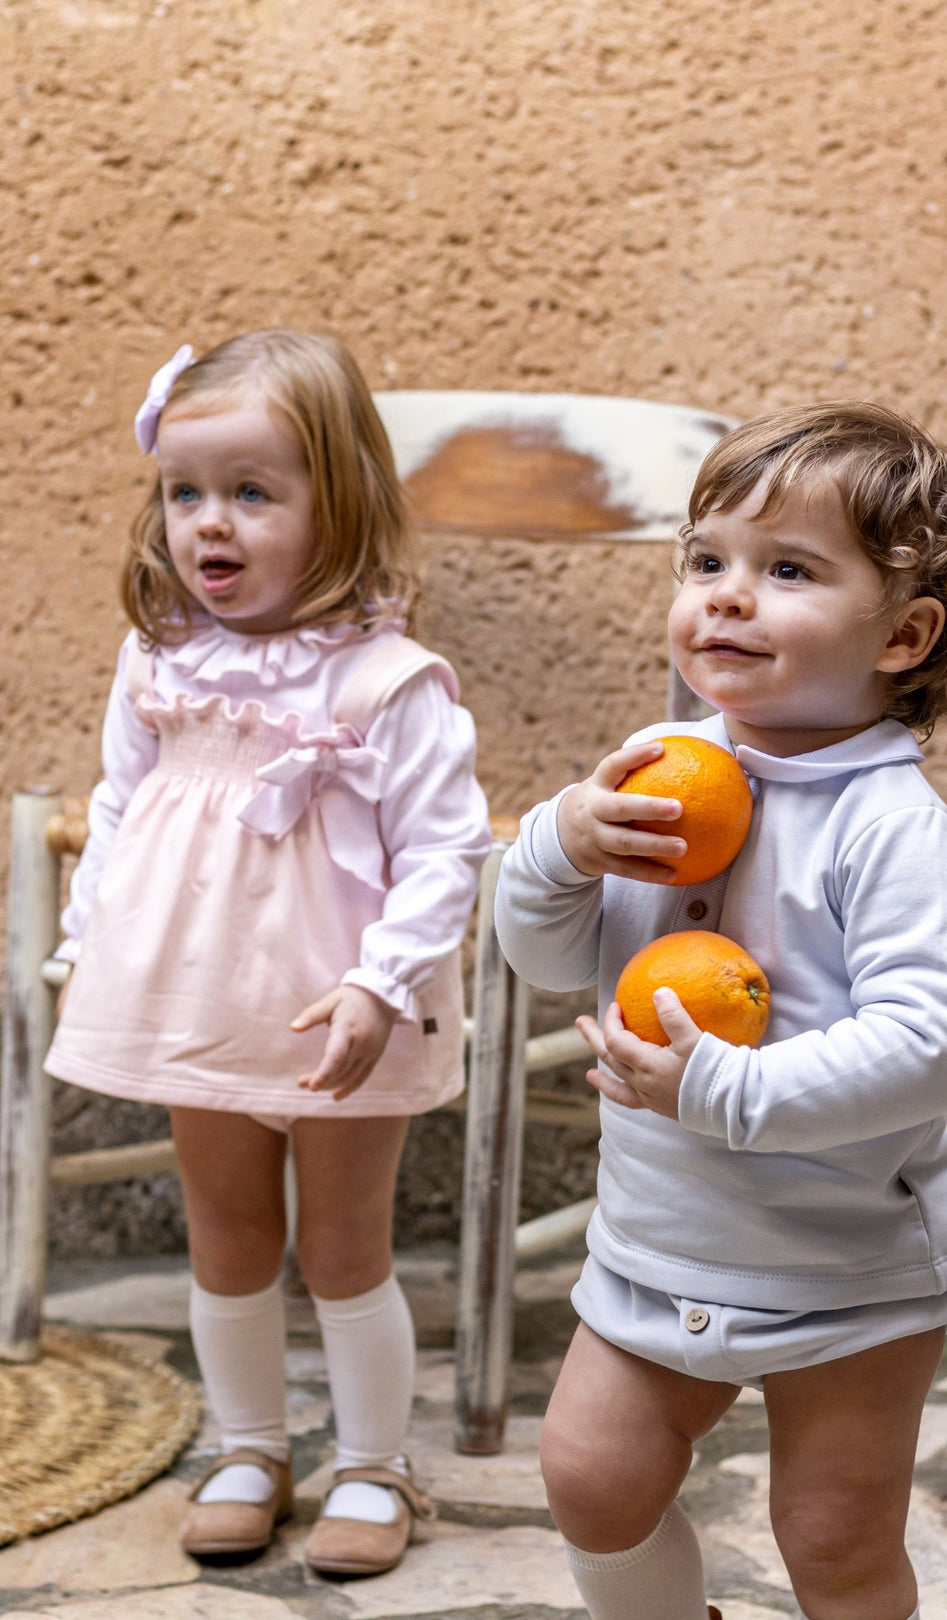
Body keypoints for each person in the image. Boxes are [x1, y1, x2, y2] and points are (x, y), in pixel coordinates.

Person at [494, 401, 947, 1620]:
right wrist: (558, 850)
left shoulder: (892, 829)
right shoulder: (652, 769)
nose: (726, 596)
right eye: (706, 561)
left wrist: (727, 1089)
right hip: (657, 1242)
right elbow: (548, 959)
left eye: (787, 571)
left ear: (905, 635)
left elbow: (933, 1041)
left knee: (834, 1543)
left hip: (848, 1271)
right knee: (591, 1478)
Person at [46, 330, 491, 1575]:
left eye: (251, 492)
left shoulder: (389, 683)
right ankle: (248, 1448)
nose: (209, 522)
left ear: (335, 504)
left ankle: (373, 1463)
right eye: (185, 491)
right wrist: (94, 941)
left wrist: (379, 984)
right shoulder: (158, 657)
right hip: (197, 997)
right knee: (228, 1236)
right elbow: (122, 805)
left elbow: (445, 851)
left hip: (338, 1009)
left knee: (344, 1249)